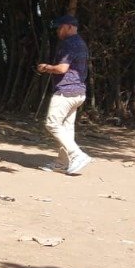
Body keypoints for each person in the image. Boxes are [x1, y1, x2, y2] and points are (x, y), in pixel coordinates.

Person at [37, 14, 91, 174]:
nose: (58, 31)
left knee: (52, 123)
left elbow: (62, 69)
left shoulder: (68, 44)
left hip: (66, 92)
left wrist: (46, 67)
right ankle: (62, 163)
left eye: (60, 28)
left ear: (69, 27)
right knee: (66, 129)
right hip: (79, 92)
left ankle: (77, 155)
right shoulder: (81, 43)